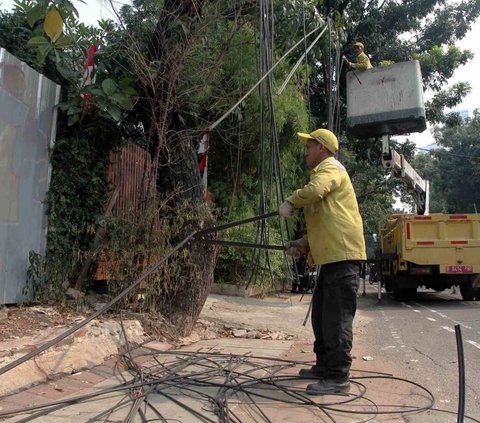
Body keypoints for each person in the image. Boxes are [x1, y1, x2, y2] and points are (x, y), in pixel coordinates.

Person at [278, 128, 366, 395]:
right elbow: (324, 224)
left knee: (336, 320)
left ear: (323, 149)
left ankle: (338, 377)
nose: (306, 151)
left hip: (343, 257)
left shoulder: (331, 169)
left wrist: (291, 202)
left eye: (309, 146)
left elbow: (315, 191)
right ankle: (324, 366)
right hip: (331, 258)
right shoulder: (324, 173)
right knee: (321, 318)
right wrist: (304, 244)